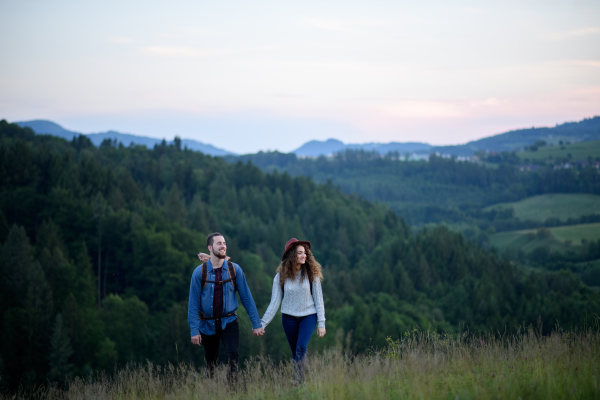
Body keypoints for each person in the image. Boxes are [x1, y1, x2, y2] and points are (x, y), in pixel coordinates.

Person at [188, 232, 265, 380]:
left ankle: (232, 392)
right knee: (211, 363)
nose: (223, 245)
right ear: (210, 247)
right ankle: (212, 391)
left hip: (229, 321)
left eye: (224, 243)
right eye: (219, 243)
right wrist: (194, 329)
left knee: (233, 358)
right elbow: (193, 304)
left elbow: (246, 298)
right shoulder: (199, 273)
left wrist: (256, 323)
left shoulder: (234, 270)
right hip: (207, 323)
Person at [260, 238, 326, 383]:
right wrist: (262, 324)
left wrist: (321, 323)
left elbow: (319, 300)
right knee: (295, 352)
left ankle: (296, 382)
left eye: (305, 253)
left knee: (301, 347)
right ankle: (300, 385)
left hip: (308, 316)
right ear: (291, 255)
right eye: (300, 253)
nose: (304, 256)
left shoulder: (311, 275)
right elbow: (274, 303)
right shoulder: (280, 277)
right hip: (288, 318)